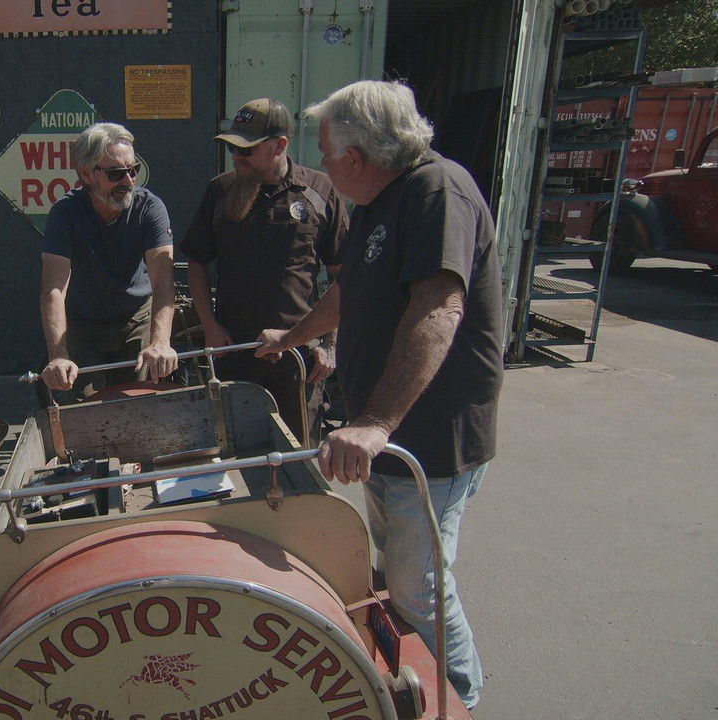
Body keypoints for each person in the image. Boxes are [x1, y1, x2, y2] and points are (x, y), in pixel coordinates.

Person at [255, 80, 504, 709]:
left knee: (419, 588)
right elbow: (348, 294)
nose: (323, 165)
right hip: (391, 434)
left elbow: (439, 304)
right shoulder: (380, 201)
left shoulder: (436, 192)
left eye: (327, 152)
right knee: (397, 580)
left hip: (429, 433)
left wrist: (375, 421)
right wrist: (293, 336)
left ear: (358, 157)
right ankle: (418, 688)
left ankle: (460, 701)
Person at [181, 98, 348, 444]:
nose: (237, 158)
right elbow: (196, 261)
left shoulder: (320, 192)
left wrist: (329, 343)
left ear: (280, 146)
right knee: (233, 453)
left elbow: (343, 276)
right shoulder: (222, 190)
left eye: (247, 151)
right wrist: (210, 325)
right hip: (233, 351)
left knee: (298, 460)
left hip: (298, 356)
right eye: (233, 150)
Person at [39, 122, 178, 400]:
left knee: (136, 402)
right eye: (116, 173)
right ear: (88, 174)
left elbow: (163, 281)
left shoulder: (149, 208)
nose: (128, 181)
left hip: (135, 317)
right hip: (83, 322)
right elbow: (53, 290)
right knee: (79, 407)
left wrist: (161, 342)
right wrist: (58, 356)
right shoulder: (66, 213)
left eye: (133, 170)